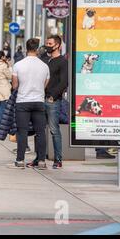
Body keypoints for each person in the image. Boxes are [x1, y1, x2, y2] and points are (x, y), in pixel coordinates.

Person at [9, 38, 50, 170]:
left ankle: (20, 159)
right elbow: (45, 84)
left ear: (26, 49)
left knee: (22, 132)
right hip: (38, 101)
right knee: (40, 132)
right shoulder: (44, 66)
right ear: (37, 49)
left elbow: (15, 85)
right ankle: (42, 160)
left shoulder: (18, 65)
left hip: (23, 101)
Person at [35, 35, 68, 169]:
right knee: (39, 130)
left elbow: (64, 82)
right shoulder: (45, 60)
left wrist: (53, 96)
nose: (47, 45)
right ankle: (39, 158)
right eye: (46, 43)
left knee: (54, 130)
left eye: (50, 43)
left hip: (52, 100)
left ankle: (58, 159)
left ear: (57, 46)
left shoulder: (62, 62)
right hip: (39, 98)